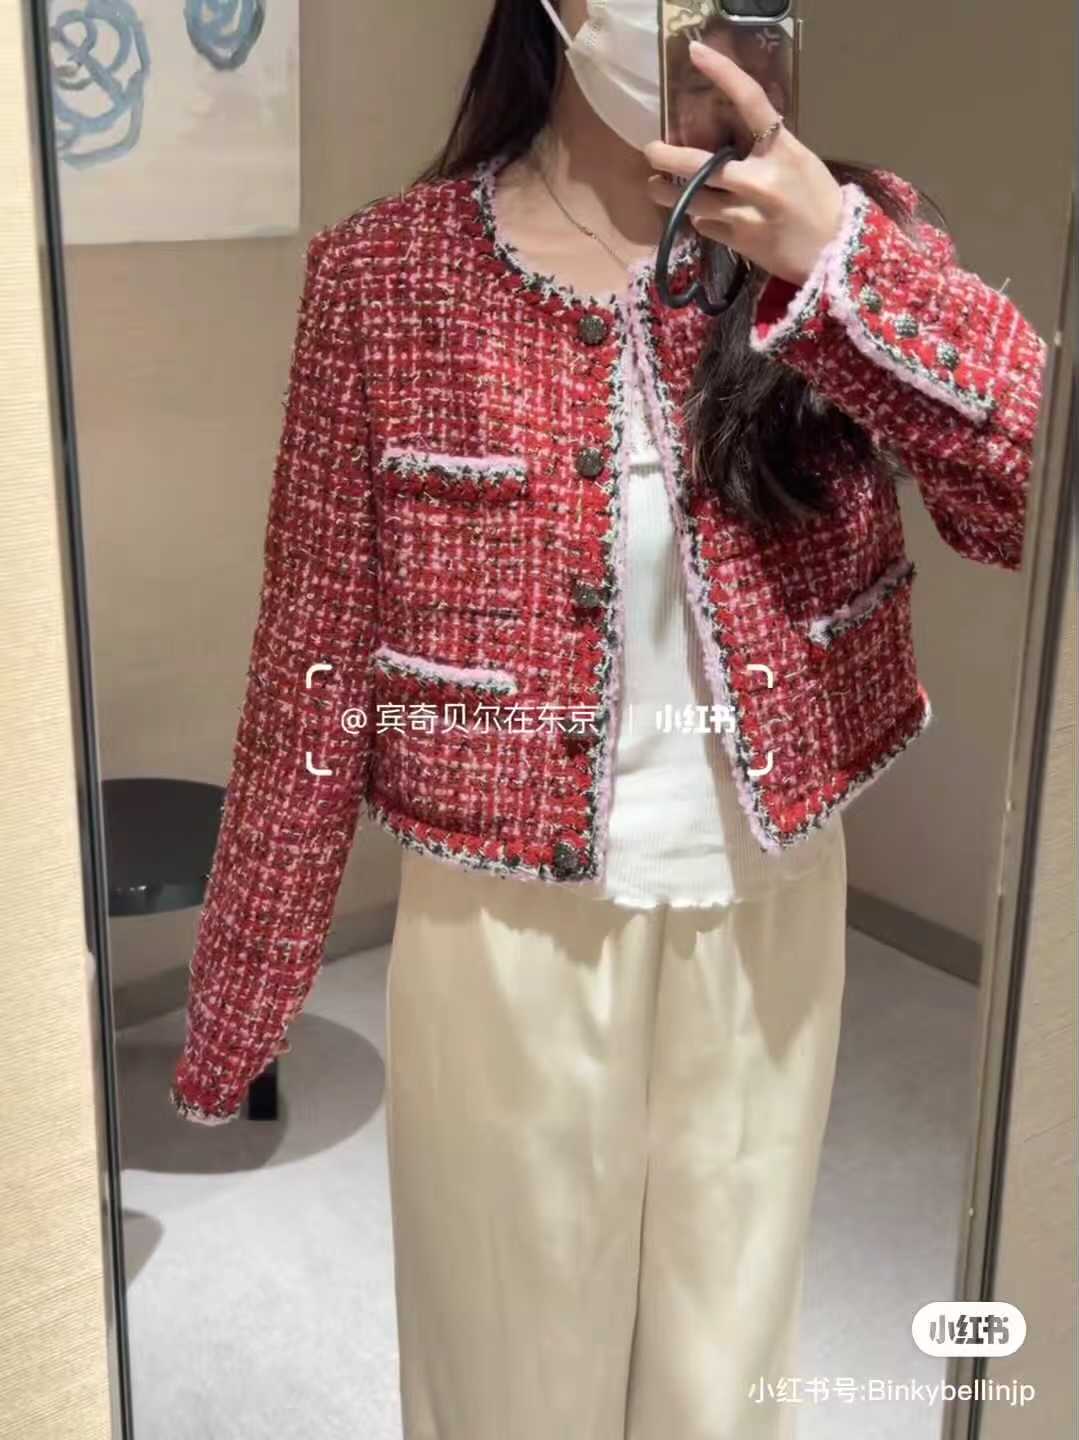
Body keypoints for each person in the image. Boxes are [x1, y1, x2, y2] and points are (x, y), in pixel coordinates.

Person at [170, 2, 1046, 1436]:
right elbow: (311, 656)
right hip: (496, 929)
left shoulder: (848, 230)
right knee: (504, 1374)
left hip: (767, 907)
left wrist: (840, 260)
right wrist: (242, 1003)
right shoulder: (387, 277)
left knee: (723, 1376)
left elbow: (1033, 499)